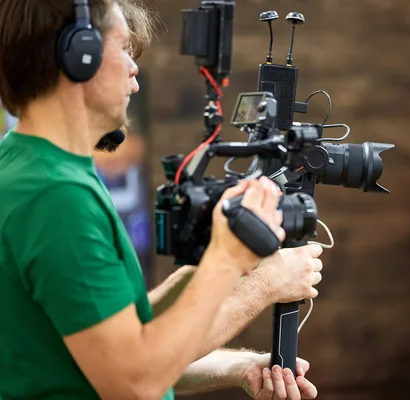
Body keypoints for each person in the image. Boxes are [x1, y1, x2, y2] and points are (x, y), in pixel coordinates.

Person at [0, 1, 325, 399]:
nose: (135, 76)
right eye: (123, 50)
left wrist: (235, 364)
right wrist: (258, 280)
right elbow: (133, 381)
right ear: (77, 56)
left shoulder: (29, 164)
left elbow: (120, 339)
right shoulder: (54, 195)